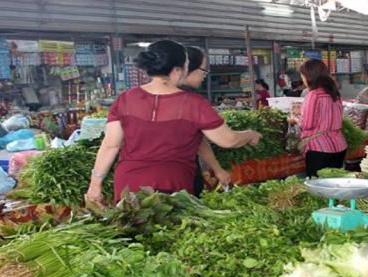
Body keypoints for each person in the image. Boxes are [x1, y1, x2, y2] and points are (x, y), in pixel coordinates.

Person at [86, 40, 261, 202]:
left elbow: (110, 145)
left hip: (128, 183)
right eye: (186, 63)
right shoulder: (194, 103)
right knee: (169, 233)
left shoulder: (124, 99)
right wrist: (250, 134)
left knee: (132, 231)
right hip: (171, 183)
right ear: (177, 69)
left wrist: (95, 185)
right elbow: (228, 140)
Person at [182, 47, 232, 196]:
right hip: (182, 177)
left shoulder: (136, 99)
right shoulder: (191, 100)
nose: (204, 75)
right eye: (203, 69)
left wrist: (217, 170)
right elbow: (228, 140)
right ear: (186, 68)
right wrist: (249, 135)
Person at [290, 58, 347, 177]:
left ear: (309, 76)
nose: (302, 79)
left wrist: (294, 119)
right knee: (334, 185)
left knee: (318, 188)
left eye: (302, 75)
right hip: (339, 145)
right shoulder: (334, 92)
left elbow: (307, 124)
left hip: (320, 148)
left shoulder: (313, 94)